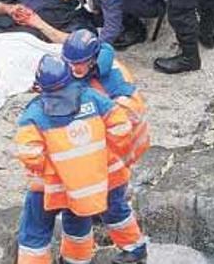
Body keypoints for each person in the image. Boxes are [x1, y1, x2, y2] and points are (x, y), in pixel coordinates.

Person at [62, 30, 150, 264]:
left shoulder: (115, 77)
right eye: (71, 63)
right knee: (100, 201)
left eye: (79, 64)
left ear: (92, 60)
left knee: (112, 203)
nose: (74, 69)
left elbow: (129, 115)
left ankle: (135, 248)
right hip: (99, 147)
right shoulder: (84, 70)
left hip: (117, 147)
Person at [14, 55, 110, 264]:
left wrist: (51, 170)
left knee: (35, 233)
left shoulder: (35, 112)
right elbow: (120, 126)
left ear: (40, 86)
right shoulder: (92, 98)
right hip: (82, 185)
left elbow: (29, 153)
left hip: (46, 187)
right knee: (79, 227)